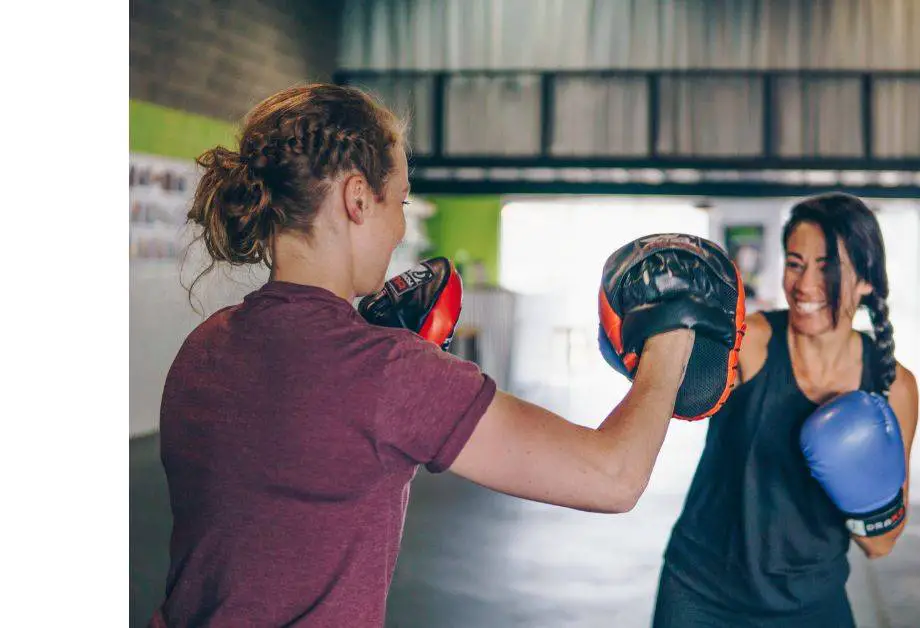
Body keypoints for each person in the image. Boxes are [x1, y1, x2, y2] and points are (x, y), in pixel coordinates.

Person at [150, 84, 741, 627]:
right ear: (358, 199)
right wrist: (673, 331)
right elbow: (612, 477)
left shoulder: (205, 346)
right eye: (400, 201)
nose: (400, 226)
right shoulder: (384, 372)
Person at [650, 193, 920, 627]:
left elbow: (881, 543)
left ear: (866, 280)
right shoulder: (752, 341)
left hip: (812, 601)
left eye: (827, 267)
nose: (805, 285)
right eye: (795, 263)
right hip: (703, 593)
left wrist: (858, 481)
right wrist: (666, 328)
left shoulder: (893, 386)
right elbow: (672, 389)